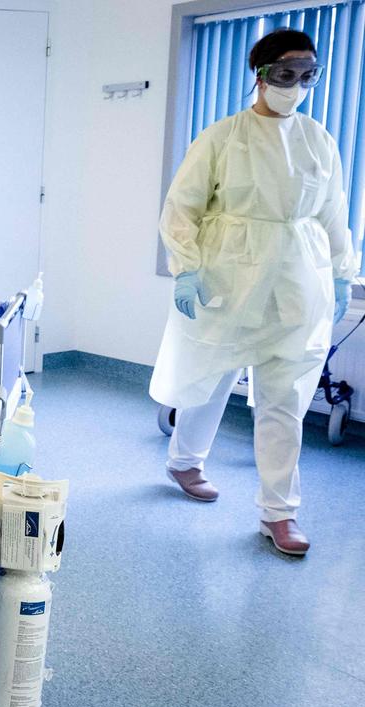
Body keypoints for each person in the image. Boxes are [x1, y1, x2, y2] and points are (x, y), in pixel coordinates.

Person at [150, 28, 360, 556]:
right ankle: (184, 462)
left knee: (285, 399)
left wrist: (340, 273)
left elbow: (334, 213)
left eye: (308, 75)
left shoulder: (318, 139)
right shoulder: (222, 137)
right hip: (229, 276)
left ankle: (279, 514)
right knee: (211, 378)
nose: (297, 86)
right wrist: (187, 267)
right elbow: (181, 208)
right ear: (261, 76)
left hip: (298, 282)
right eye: (286, 74)